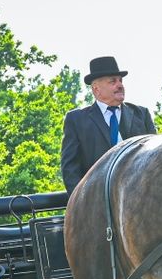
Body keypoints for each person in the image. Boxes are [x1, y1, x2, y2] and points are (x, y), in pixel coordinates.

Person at [60, 56, 156, 193]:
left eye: (120, 80)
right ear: (96, 89)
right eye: (113, 81)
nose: (120, 85)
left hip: (140, 198)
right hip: (97, 201)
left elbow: (154, 158)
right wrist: (82, 202)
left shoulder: (141, 114)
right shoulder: (76, 120)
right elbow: (70, 168)